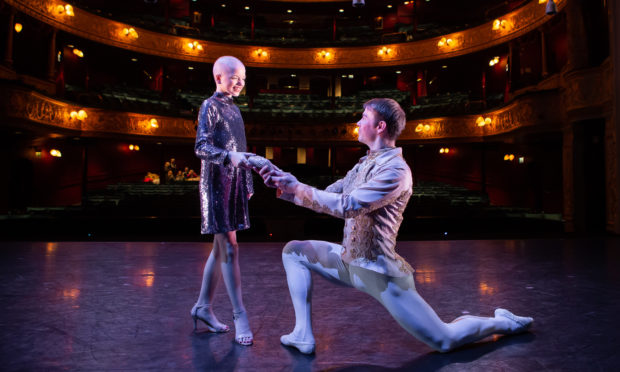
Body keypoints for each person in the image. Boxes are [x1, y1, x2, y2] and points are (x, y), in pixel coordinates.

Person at [259, 98, 533, 354]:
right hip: (348, 262)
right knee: (293, 251)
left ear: (380, 127)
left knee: (445, 340)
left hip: (380, 273)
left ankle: (504, 323)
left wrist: (296, 187)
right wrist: (288, 182)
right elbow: (329, 194)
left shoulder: (396, 171)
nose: (357, 122)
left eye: (363, 117)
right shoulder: (362, 165)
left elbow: (348, 205)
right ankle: (302, 334)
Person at [191, 56, 254, 346]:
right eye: (234, 77)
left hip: (234, 182)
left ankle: (203, 307)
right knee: (229, 246)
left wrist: (247, 182)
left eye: (243, 77)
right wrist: (228, 158)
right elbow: (201, 146)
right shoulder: (210, 105)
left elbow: (240, 148)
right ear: (218, 78)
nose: (240, 82)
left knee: (220, 250)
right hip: (216, 183)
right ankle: (240, 313)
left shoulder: (235, 108)